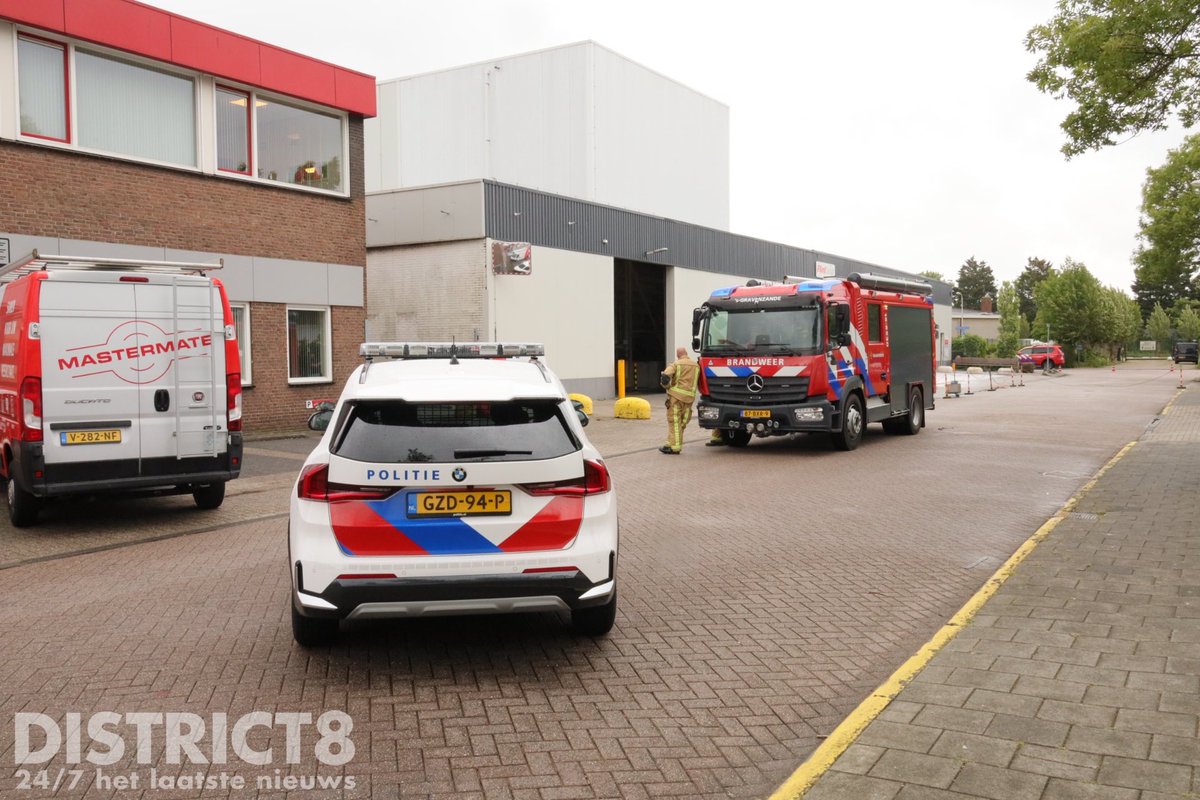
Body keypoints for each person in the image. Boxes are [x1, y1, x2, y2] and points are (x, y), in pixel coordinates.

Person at [659, 346, 699, 454]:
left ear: (678, 355)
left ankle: (674, 447)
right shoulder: (696, 365)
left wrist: (667, 386)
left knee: (674, 421)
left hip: (676, 397)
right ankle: (670, 443)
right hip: (689, 399)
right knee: (682, 423)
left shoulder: (676, 364)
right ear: (686, 353)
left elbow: (665, 376)